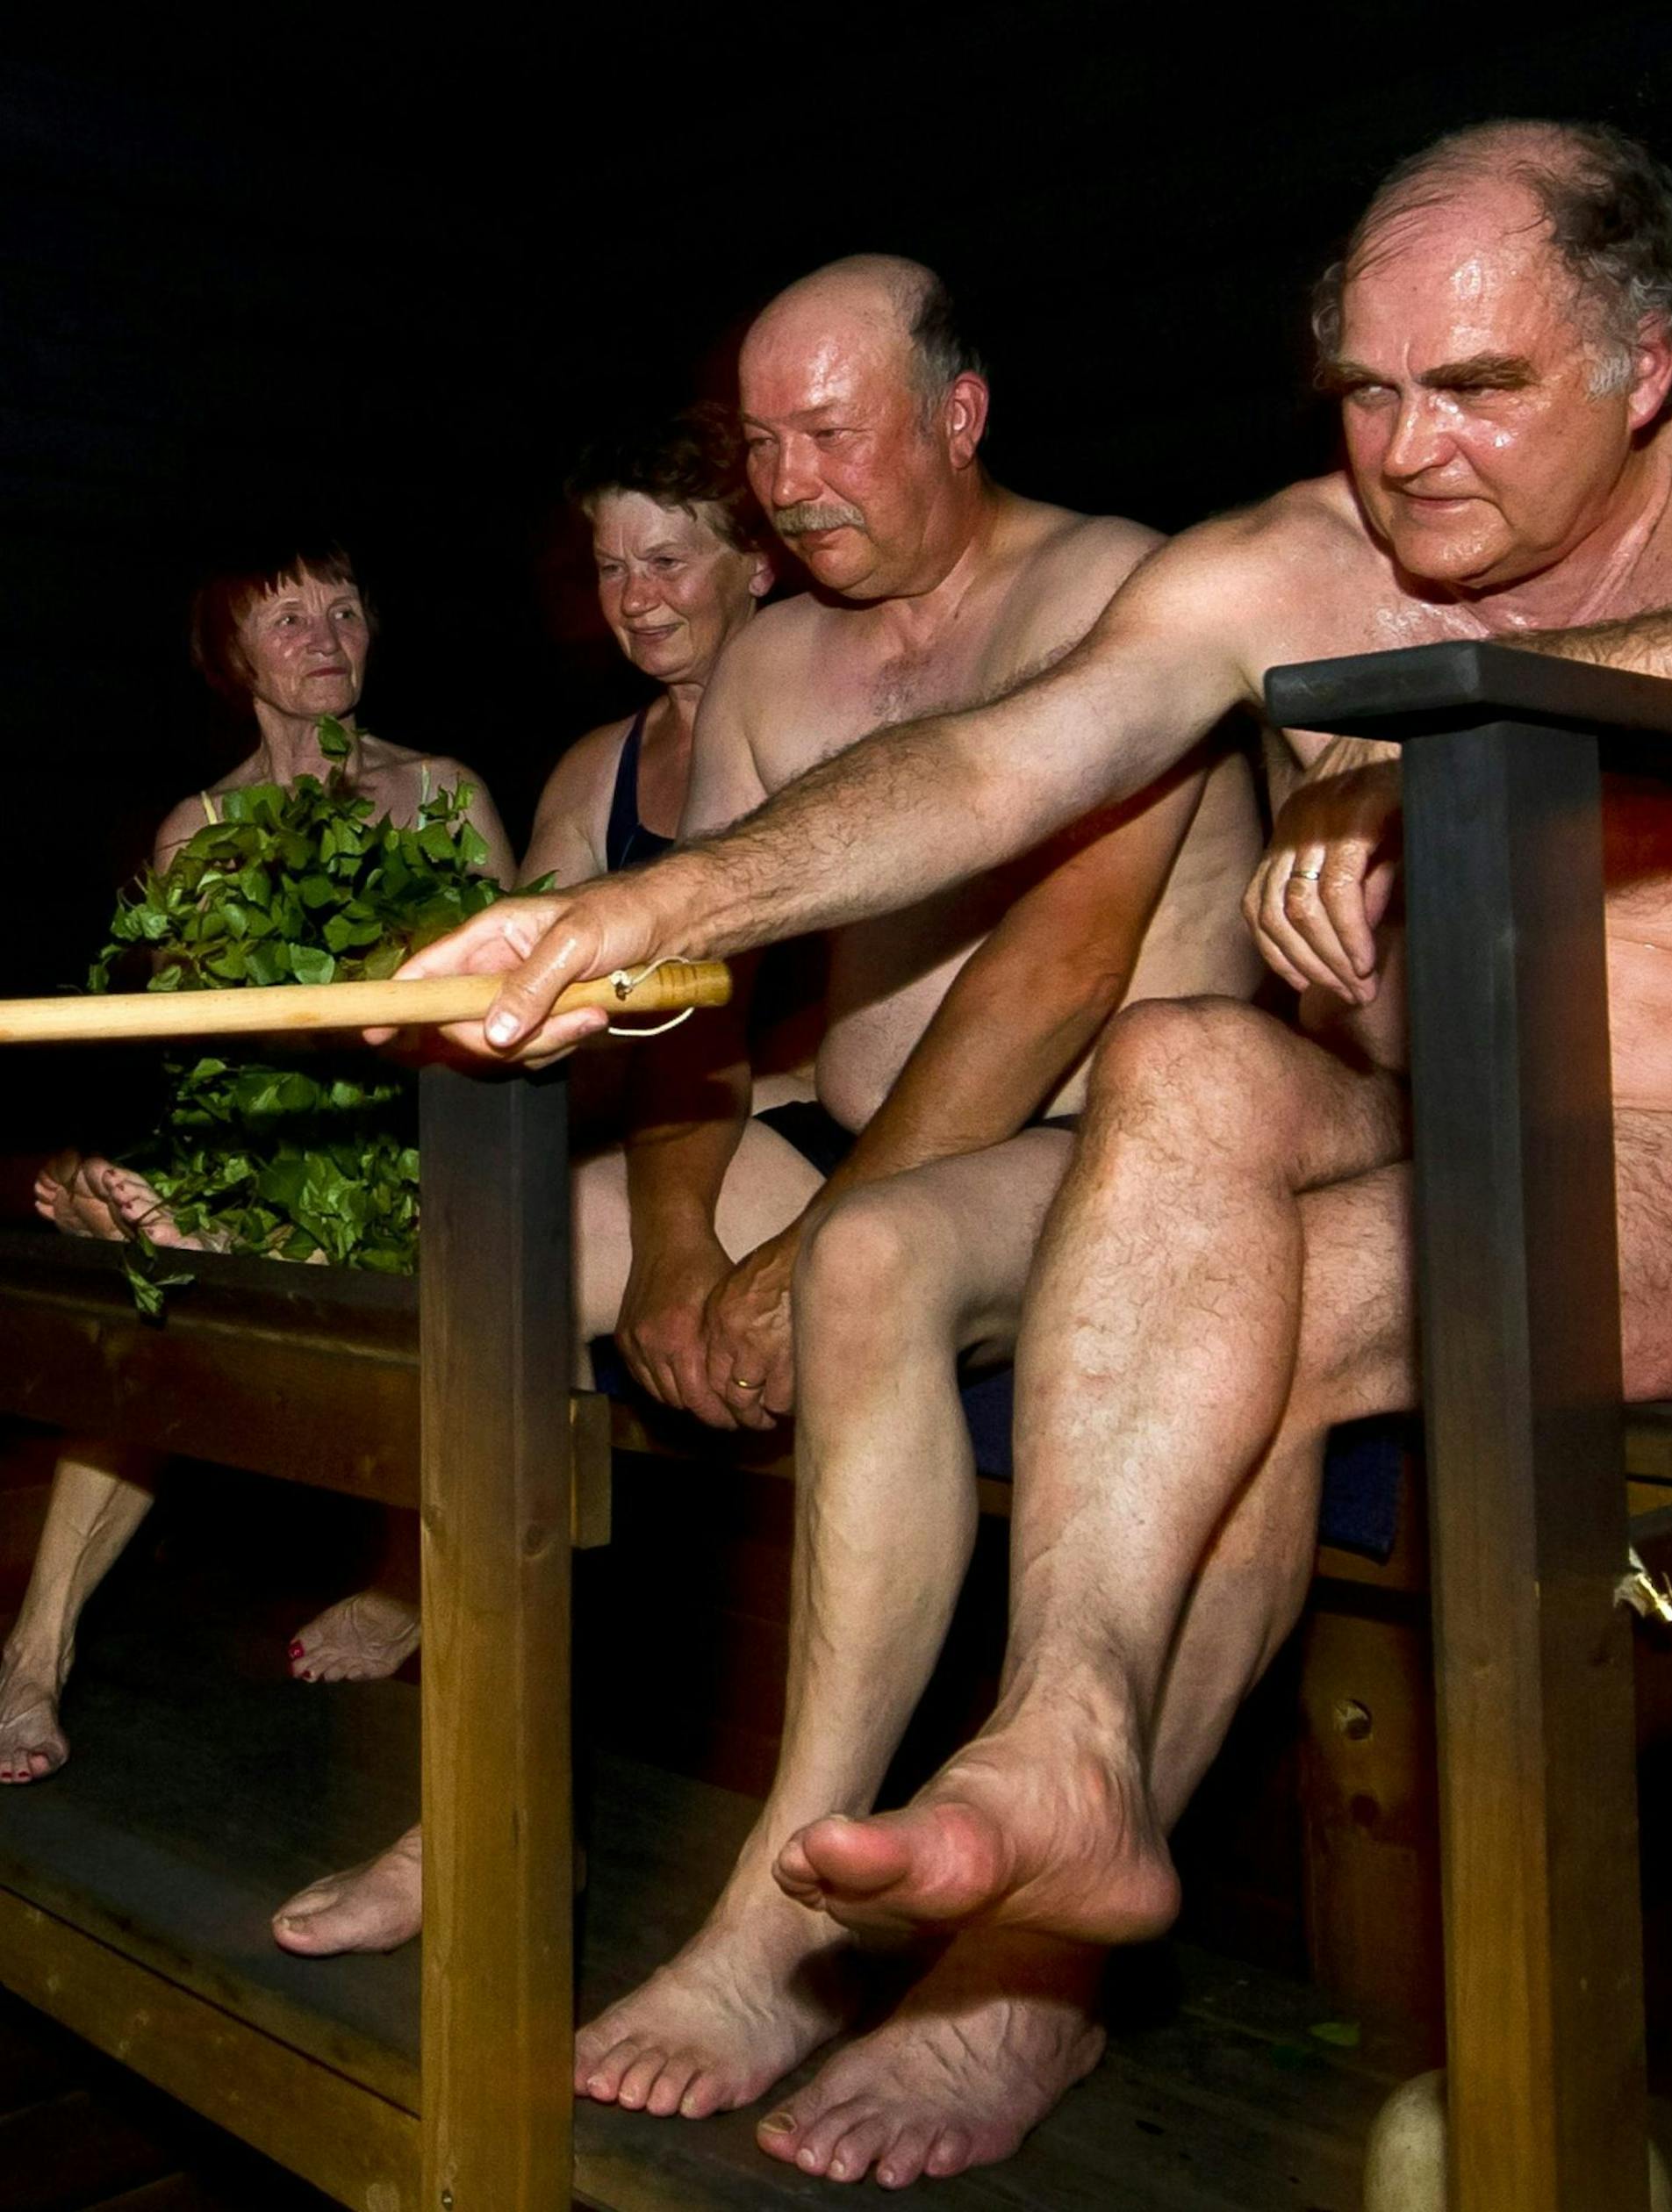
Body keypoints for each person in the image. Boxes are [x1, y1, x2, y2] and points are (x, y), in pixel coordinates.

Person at [404, 121, 1672, 2187]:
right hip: (1391, 1116)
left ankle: (1026, 1981)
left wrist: (1475, 716)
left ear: (1644, 364)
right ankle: (1068, 1753)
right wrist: (630, 920)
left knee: (1276, 1311)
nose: (1413, 450)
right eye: (1369, 392)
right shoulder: (1286, 561)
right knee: (1190, 1059)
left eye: (1482, 389)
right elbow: (999, 763)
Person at [266, 250, 1266, 2138]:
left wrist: (788, 1247)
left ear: (957, 415)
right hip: (849, 1146)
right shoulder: (779, 667)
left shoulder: (1121, 595)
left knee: (872, 1261)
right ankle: (487, 1803)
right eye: (763, 442)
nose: (791, 481)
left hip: (1108, 1162)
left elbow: (1058, 970)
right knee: (511, 1259)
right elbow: (695, 990)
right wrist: (669, 1240)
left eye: (833, 431)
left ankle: (771, 1931)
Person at [286, 409, 803, 1688]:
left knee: (500, 1275)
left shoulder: (829, 717)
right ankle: (477, 1701)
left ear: (759, 562)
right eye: (613, 570)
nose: (638, 599)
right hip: (635, 1128)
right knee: (437, 1228)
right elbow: (520, 986)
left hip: (787, 1124)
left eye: (669, 561)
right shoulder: (598, 765)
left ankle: (472, 1761)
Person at [0, 537, 514, 1785]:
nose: (325, 637)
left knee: (445, 1232)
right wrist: (98, 1172)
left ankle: (406, 1580)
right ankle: (31, 1656)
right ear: (233, 659)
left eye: (343, 609)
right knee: (147, 1255)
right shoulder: (201, 828)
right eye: (287, 619)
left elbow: (515, 1015)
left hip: (432, 1134)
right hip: (270, 1152)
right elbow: (184, 1065)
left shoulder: (447, 790)